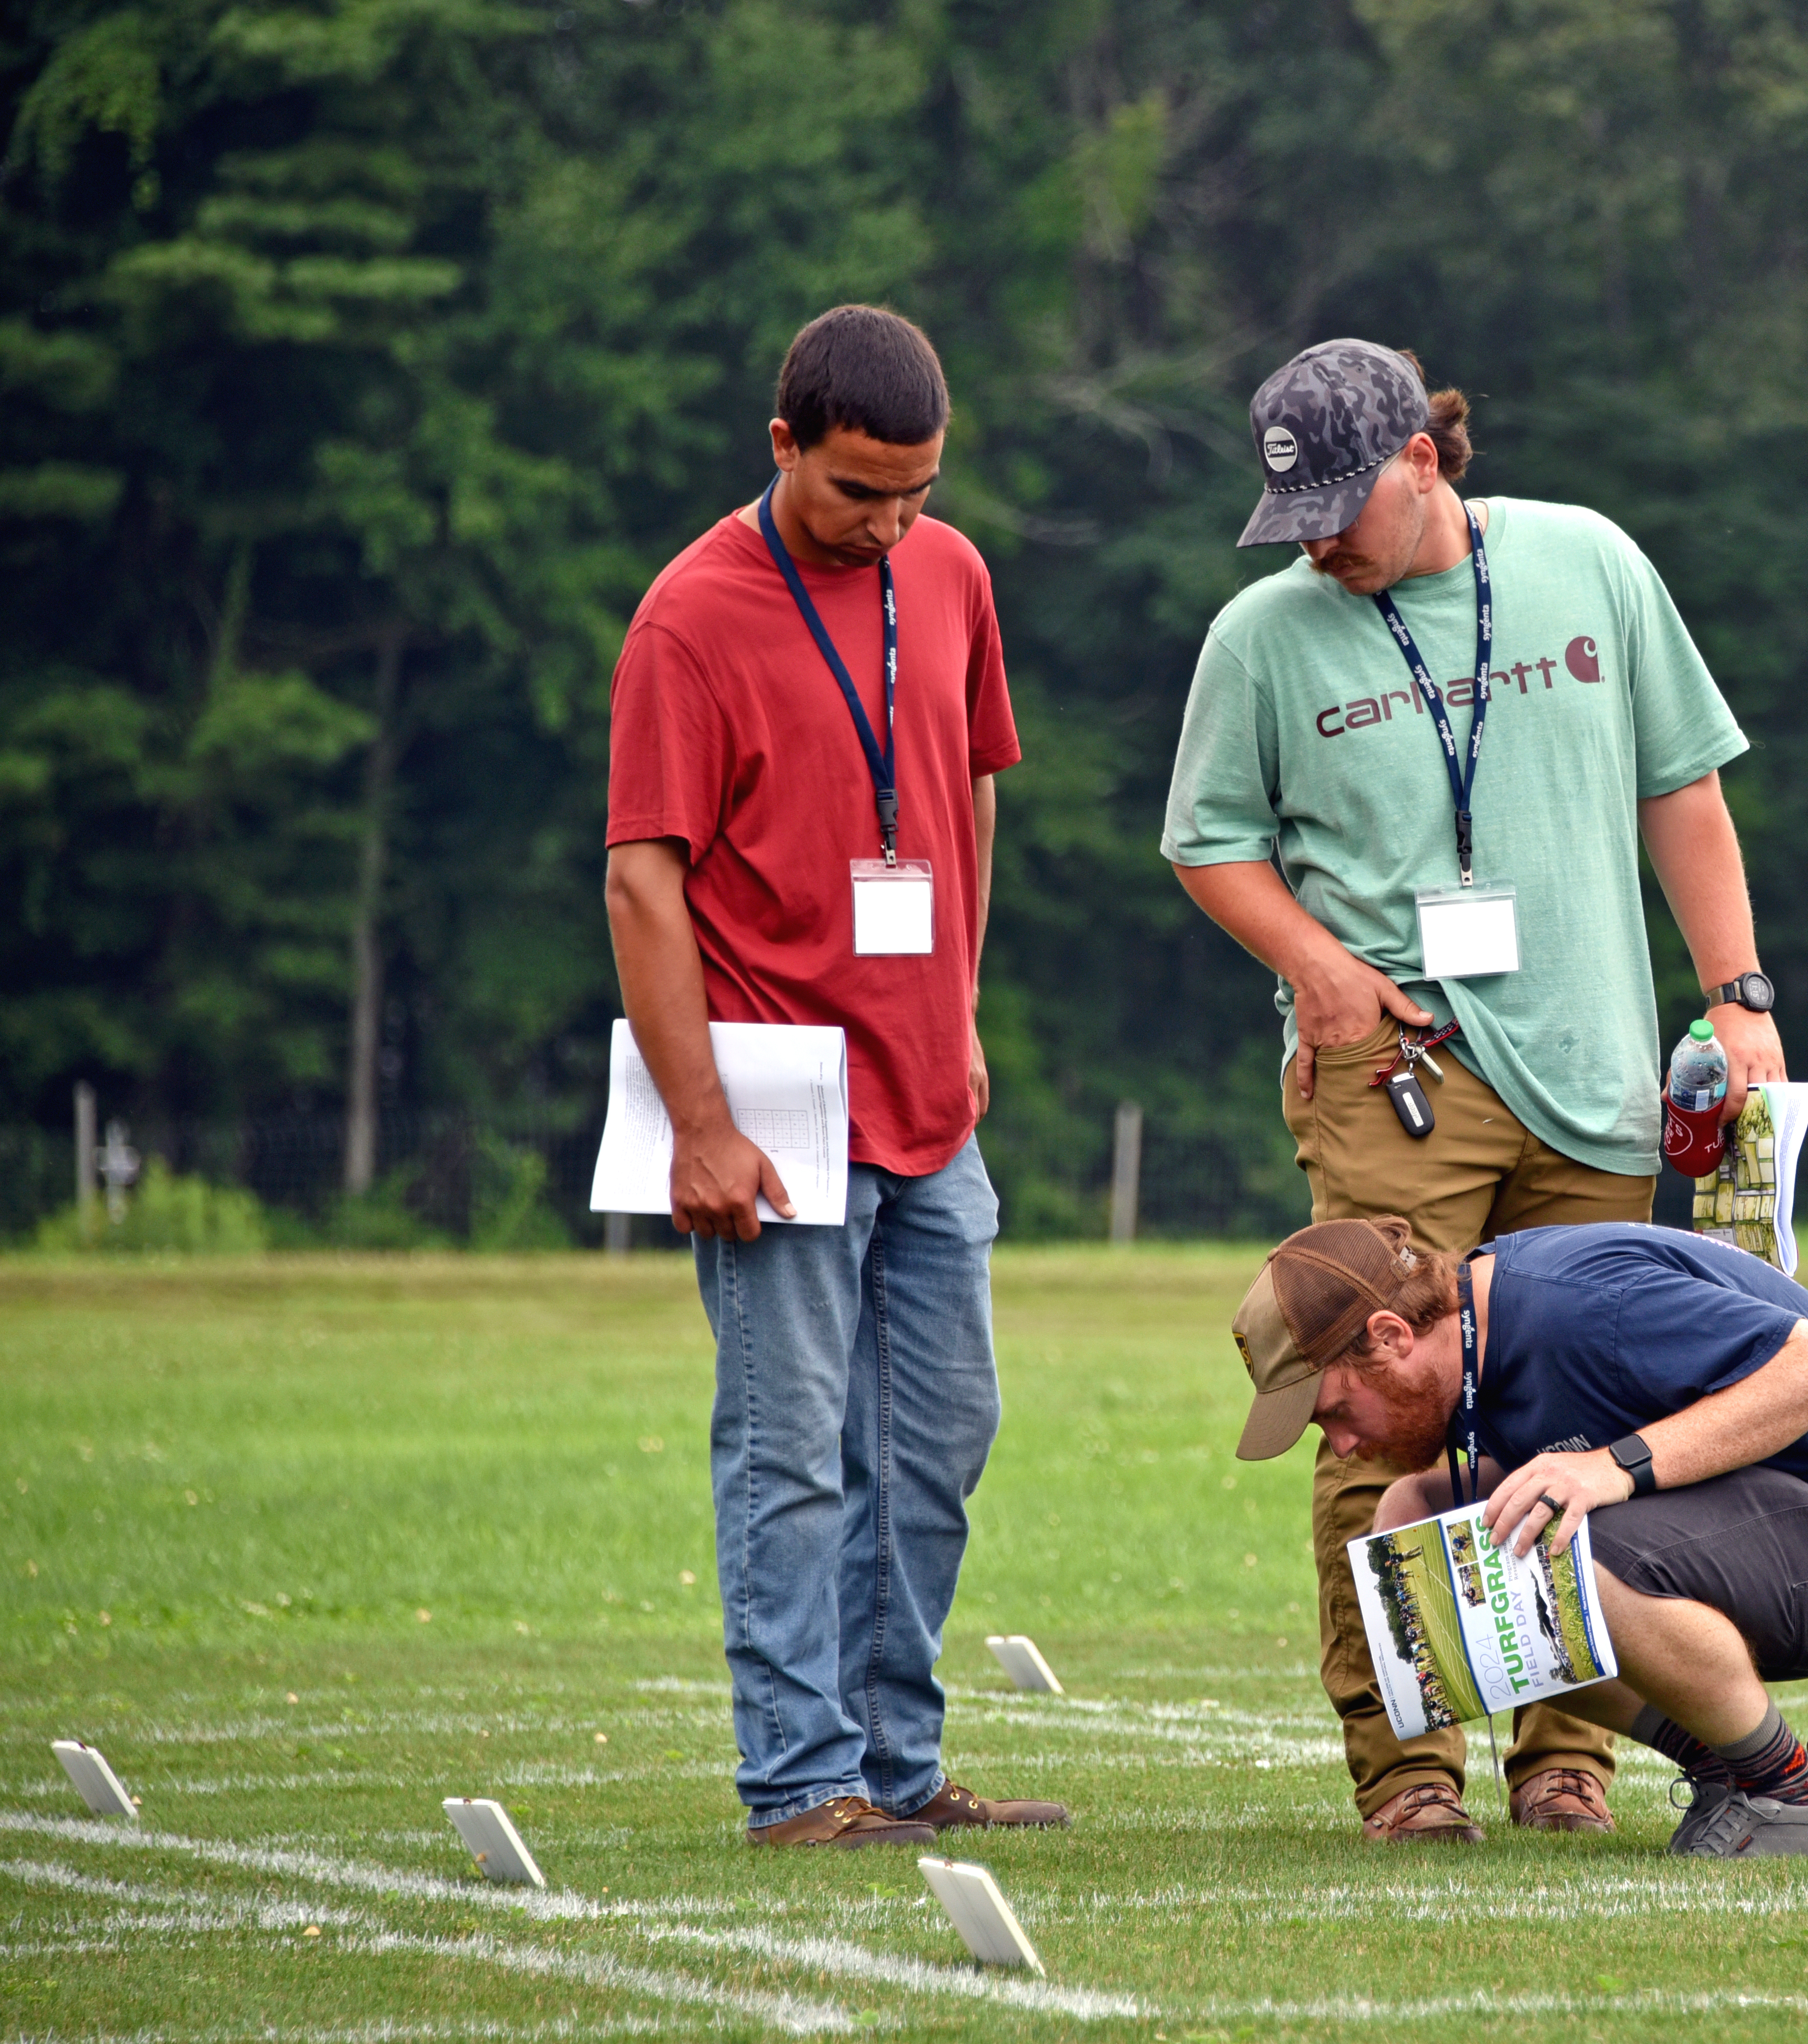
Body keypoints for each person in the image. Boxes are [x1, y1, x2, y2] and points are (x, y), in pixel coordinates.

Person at [1162, 339, 1788, 1842]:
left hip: (1591, 1068)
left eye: (1341, 506)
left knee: (1584, 1411)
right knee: (1374, 1413)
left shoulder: (1591, 562)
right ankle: (1407, 1764)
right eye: (1292, 514)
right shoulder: (1263, 636)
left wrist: (1738, 996)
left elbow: (1681, 789)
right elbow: (1208, 844)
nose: (1318, 540)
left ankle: (1568, 1751)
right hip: (1398, 1075)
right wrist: (1313, 963)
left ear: (1426, 463)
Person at [605, 304, 1066, 1846]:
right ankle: (802, 1780)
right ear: (783, 443)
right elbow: (643, 884)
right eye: (857, 492)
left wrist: (965, 1011)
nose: (889, 524)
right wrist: (702, 1123)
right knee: (793, 1451)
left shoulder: (951, 575)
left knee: (941, 1435)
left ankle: (897, 1764)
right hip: (778, 1103)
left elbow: (969, 798)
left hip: (932, 1101)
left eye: (917, 492)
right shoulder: (690, 617)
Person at [1225, 1217, 1808, 1857]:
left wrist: (1613, 1470)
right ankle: (1725, 1767)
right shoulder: (1474, 1331)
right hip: (1793, 1517)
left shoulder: (1579, 1305)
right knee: (1411, 1521)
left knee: (1571, 1542)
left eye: (1336, 1413)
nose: (1344, 1446)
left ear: (1390, 1336)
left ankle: (1789, 1795)